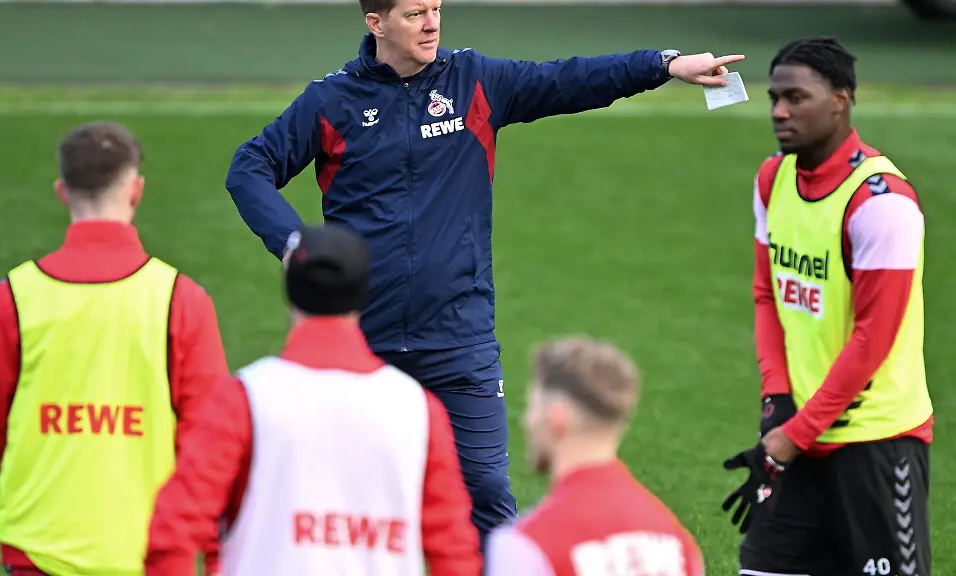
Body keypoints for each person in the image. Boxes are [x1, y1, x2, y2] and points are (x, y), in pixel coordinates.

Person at [224, 0, 744, 542]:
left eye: (436, 9)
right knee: (345, 506)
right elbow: (250, 168)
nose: (431, 23)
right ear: (375, 23)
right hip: (361, 340)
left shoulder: (475, 82)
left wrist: (663, 65)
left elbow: (569, 79)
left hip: (458, 340)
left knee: (488, 498)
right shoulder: (332, 101)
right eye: (414, 13)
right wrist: (296, 247)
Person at [0, 121, 229, 576]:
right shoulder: (182, 299)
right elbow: (213, 442)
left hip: (39, 551)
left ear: (62, 192)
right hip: (153, 554)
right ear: (136, 191)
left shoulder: (14, 298)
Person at [143, 223, 481, 576]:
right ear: (363, 295)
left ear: (290, 292)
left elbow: (173, 533)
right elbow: (454, 552)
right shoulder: (418, 410)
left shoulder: (244, 398)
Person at [721, 37, 932, 576]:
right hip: (799, 434)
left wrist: (793, 434)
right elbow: (767, 293)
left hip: (876, 443)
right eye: (774, 98)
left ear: (840, 99)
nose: (779, 111)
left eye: (796, 97)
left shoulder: (882, 205)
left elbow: (872, 341)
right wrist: (777, 400)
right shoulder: (773, 178)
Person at [484, 337, 705, 576]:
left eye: (534, 407)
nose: (527, 420)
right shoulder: (676, 541)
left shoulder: (526, 544)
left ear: (557, 419)